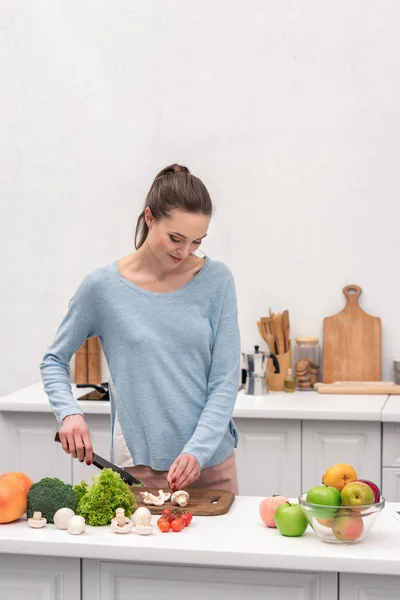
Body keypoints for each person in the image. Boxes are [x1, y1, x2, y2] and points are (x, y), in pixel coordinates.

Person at [40, 164, 241, 494]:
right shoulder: (103, 288)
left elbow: (224, 381)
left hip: (209, 466)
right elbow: (54, 360)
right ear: (149, 218)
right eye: (175, 238)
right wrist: (69, 413)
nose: (184, 251)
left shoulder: (217, 281)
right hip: (138, 471)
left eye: (196, 242)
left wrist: (197, 451)